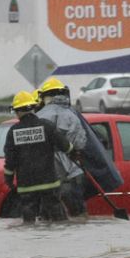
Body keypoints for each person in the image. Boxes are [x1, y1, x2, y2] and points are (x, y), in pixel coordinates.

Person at [3, 90, 73, 224]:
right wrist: (75, 151)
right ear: (33, 108)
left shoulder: (13, 132)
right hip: (49, 182)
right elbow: (66, 146)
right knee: (57, 216)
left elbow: (10, 160)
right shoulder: (46, 126)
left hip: (26, 184)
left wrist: (9, 179)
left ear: (17, 111)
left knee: (28, 219)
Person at [36, 77, 89, 217]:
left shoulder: (38, 116)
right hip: (72, 173)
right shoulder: (72, 116)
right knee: (79, 217)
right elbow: (80, 143)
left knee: (48, 218)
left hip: (47, 176)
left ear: (45, 96)